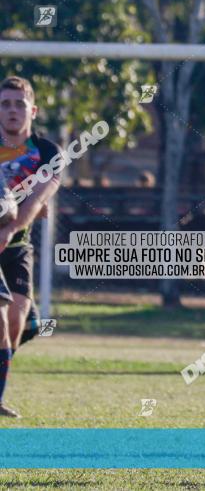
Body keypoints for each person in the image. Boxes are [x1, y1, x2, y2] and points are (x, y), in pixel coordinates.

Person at [0, 76, 63, 418]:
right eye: (5, 104)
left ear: (33, 110)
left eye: (19, 104)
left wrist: (9, 228)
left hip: (16, 246)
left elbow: (36, 202)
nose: (12, 111)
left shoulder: (49, 153)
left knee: (19, 322)